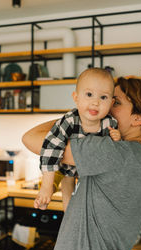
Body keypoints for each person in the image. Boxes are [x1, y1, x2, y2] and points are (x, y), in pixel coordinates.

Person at [22, 77, 141, 250]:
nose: (105, 106)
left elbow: (30, 138)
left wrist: (82, 114)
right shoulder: (139, 156)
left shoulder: (115, 151)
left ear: (138, 118)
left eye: (114, 102)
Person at [36, 68, 121, 210]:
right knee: (65, 189)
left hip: (90, 173)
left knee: (88, 201)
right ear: (76, 98)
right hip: (64, 169)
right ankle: (49, 197)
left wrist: (116, 138)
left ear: (111, 103)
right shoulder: (69, 120)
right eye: (89, 94)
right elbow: (51, 147)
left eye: (103, 97)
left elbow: (113, 153)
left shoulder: (110, 123)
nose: (95, 102)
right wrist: (46, 185)